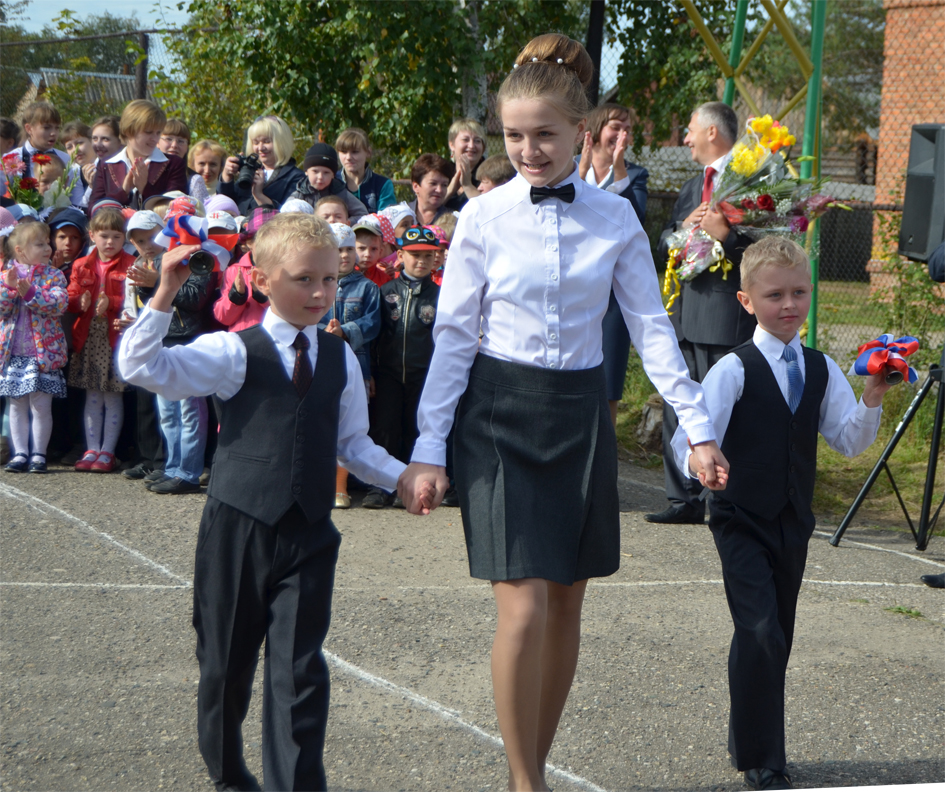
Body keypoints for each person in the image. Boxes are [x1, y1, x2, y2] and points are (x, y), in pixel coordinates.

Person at [397, 33, 727, 791]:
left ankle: (534, 768)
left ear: (581, 131)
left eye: (543, 134)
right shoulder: (481, 218)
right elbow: (453, 339)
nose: (527, 151)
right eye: (513, 136)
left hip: (579, 416)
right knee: (523, 608)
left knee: (567, 605)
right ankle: (526, 783)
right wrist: (428, 447)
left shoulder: (616, 219)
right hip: (498, 416)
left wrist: (697, 429)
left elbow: (651, 330)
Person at [117, 212, 419, 792]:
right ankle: (229, 776)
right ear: (261, 280)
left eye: (329, 279)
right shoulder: (233, 352)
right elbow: (139, 366)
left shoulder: (339, 357)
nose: (320, 293)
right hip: (239, 529)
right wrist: (164, 294)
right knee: (225, 667)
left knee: (299, 673)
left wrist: (402, 477)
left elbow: (353, 444)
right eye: (304, 279)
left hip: (309, 533)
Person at [672, 236, 892, 791]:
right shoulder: (733, 369)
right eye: (774, 295)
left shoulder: (820, 367)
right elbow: (689, 438)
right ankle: (764, 760)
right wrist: (701, 461)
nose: (789, 305)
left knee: (775, 636)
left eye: (799, 292)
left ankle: (746, 737)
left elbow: (847, 440)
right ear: (746, 301)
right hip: (740, 517)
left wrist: (871, 395)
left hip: (792, 521)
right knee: (760, 629)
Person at [647, 101, 755, 525]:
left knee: (720, 409)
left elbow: (767, 248)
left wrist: (726, 236)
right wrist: (680, 231)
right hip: (684, 313)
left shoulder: (750, 179)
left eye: (690, 129)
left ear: (712, 131)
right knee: (679, 403)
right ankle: (683, 498)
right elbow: (664, 243)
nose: (686, 138)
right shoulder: (693, 186)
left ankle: (721, 498)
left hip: (723, 317)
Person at [578, 102, 650, 427]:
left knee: (609, 375)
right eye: (615, 127)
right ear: (596, 130)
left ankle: (605, 445)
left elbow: (637, 220)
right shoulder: (569, 167)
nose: (622, 135)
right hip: (573, 283)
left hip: (612, 293)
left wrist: (619, 171)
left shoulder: (635, 174)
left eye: (627, 129)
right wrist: (579, 174)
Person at [134, 211, 215, 495]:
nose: (176, 237)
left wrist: (156, 282)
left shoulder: (203, 258)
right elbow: (153, 303)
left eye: (182, 230)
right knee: (168, 412)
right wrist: (146, 287)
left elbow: (195, 299)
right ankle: (172, 467)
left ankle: (188, 473)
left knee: (190, 412)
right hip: (164, 339)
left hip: (190, 341)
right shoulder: (161, 258)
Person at [364, 224, 441, 510]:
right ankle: (379, 485)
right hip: (388, 374)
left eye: (427, 255)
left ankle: (408, 487)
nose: (421, 261)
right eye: (414, 255)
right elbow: (373, 337)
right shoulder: (385, 292)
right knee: (384, 429)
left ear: (436, 258)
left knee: (415, 429)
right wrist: (370, 372)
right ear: (400, 256)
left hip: (424, 375)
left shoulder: (440, 295)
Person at [66, 207, 135, 472]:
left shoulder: (130, 263)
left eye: (116, 236)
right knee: (93, 396)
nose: (110, 242)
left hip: (114, 337)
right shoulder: (81, 264)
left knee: (113, 396)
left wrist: (112, 302)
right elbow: (71, 296)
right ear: (92, 235)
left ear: (124, 238)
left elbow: (134, 301)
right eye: (104, 236)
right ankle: (91, 448)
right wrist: (78, 301)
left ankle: (108, 451)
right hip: (89, 336)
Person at [319, 222, 381, 509]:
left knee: (350, 425)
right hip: (321, 364)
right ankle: (320, 481)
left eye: (348, 249)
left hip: (357, 365)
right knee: (323, 421)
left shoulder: (368, 287)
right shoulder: (318, 284)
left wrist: (344, 331)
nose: (344, 255)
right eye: (338, 250)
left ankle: (340, 485)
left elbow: (373, 323)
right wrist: (324, 331)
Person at [0, 222, 68, 473]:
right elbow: (1, 310)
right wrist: (9, 289)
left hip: (43, 355)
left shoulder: (54, 275)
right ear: (20, 250)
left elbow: (59, 304)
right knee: (16, 404)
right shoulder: (6, 275)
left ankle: (39, 454)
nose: (47, 248)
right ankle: (20, 453)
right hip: (13, 353)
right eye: (39, 244)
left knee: (40, 406)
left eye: (47, 243)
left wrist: (31, 293)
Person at [120, 210, 168, 482]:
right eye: (140, 241)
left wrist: (156, 282)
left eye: (152, 237)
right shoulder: (135, 267)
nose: (147, 245)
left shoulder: (170, 261)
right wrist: (127, 320)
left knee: (165, 405)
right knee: (145, 403)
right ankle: (147, 458)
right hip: (143, 341)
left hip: (167, 340)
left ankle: (164, 460)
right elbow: (131, 305)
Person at [89, 100, 188, 213]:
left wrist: (145, 188)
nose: (155, 139)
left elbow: (177, 209)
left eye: (158, 133)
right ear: (129, 130)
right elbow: (94, 209)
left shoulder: (174, 164)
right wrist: (123, 191)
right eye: (148, 132)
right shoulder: (106, 164)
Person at [219, 115, 304, 215]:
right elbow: (225, 206)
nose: (260, 148)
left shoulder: (297, 177)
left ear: (282, 142)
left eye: (267, 141)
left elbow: (290, 216)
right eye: (256, 142)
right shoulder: (250, 170)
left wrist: (259, 195)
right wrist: (226, 176)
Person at [4, 102, 84, 207]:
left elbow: (77, 201)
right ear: (29, 129)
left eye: (57, 128)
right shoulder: (11, 160)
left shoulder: (66, 159)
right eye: (47, 128)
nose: (53, 133)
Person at [212, 206, 277, 332]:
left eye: (274, 239)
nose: (269, 245)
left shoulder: (286, 270)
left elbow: (291, 311)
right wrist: (236, 296)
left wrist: (263, 297)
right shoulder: (234, 270)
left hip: (274, 338)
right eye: (262, 239)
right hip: (242, 338)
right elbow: (223, 318)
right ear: (249, 242)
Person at [289, 142, 368, 222]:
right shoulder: (299, 195)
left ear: (333, 175)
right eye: (315, 171)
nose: (320, 177)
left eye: (326, 172)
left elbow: (362, 214)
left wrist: (343, 223)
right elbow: (285, 217)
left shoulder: (341, 193)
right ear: (306, 172)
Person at [335, 127, 396, 213]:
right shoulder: (331, 182)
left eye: (355, 152)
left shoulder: (383, 185)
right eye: (344, 152)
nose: (348, 157)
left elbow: (387, 218)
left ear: (368, 152)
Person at [443, 118, 487, 211]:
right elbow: (428, 211)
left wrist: (468, 186)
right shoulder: (442, 173)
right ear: (452, 145)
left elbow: (488, 210)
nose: (471, 145)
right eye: (465, 140)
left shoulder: (490, 175)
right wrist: (450, 190)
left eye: (477, 141)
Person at [408, 153, 454, 226]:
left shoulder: (454, 220)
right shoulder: (399, 216)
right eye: (433, 183)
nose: (439, 190)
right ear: (416, 187)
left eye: (444, 185)